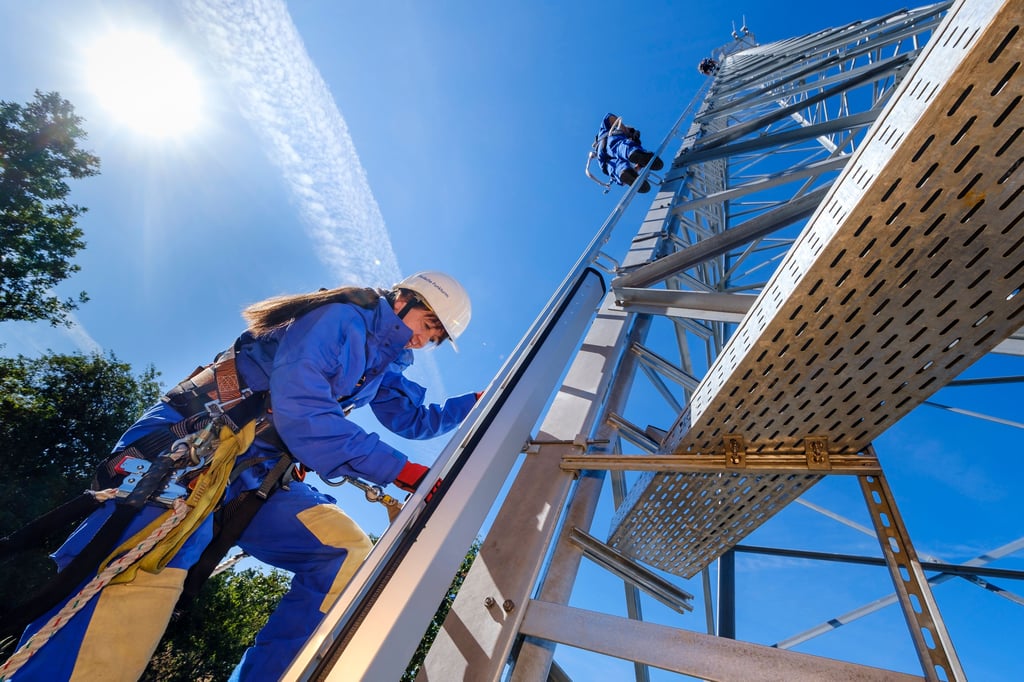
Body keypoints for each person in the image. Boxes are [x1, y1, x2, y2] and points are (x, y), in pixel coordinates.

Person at [8, 271, 479, 682]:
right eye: (428, 325)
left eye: (436, 338)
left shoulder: (386, 362)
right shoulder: (339, 320)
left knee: (343, 553)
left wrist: (474, 404)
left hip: (254, 472)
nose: (426, 340)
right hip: (192, 447)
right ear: (405, 301)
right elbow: (305, 413)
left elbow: (414, 420)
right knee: (150, 558)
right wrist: (403, 471)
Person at [591, 113, 664, 193]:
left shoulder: (601, 138)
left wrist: (638, 167)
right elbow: (609, 117)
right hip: (610, 142)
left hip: (604, 162)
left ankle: (622, 171)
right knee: (623, 147)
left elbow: (626, 179)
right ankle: (631, 152)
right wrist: (626, 130)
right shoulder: (607, 131)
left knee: (618, 169)